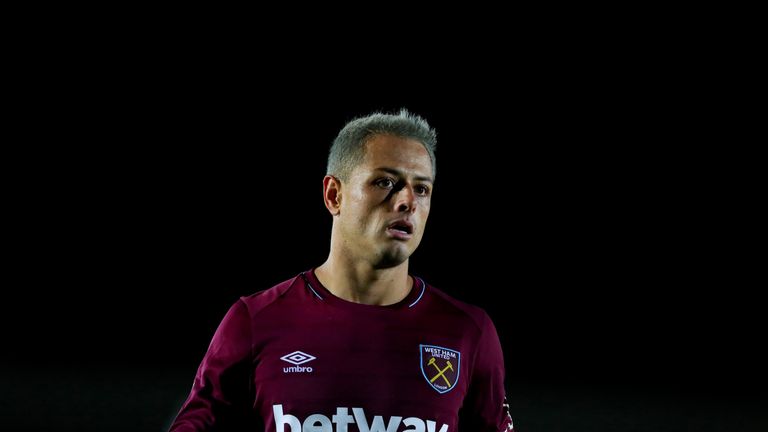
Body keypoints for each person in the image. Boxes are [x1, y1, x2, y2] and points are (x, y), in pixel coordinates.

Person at [169, 109, 514, 431]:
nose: (408, 200)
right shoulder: (255, 320)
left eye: (421, 188)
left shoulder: (468, 332)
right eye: (385, 182)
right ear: (334, 194)